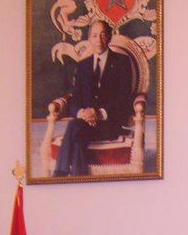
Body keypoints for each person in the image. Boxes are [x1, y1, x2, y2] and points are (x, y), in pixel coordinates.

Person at [50, 19, 134, 177]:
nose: (98, 40)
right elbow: (75, 100)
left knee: (74, 129)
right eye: (94, 36)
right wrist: (83, 114)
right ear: (89, 39)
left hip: (109, 124)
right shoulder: (83, 65)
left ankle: (60, 173)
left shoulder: (122, 62)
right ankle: (78, 178)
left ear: (109, 37)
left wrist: (99, 113)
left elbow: (124, 101)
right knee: (77, 137)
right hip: (85, 124)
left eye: (103, 35)